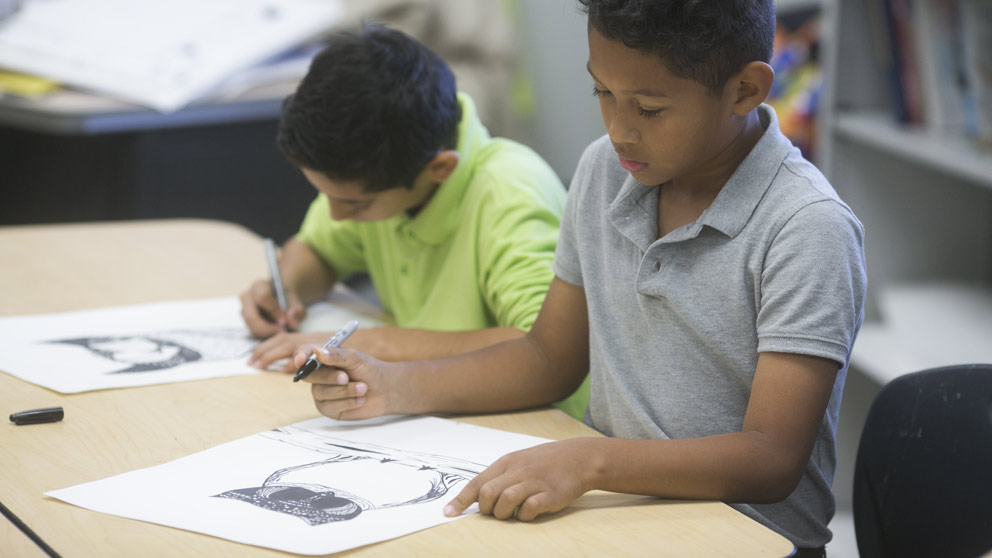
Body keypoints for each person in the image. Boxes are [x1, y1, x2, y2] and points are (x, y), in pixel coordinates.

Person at [291, 1, 867, 556]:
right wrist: (392, 386)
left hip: (742, 537)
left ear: (745, 90)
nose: (619, 130)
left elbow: (770, 458)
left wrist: (592, 461)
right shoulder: (604, 171)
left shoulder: (807, 228)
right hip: (619, 512)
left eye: (648, 108)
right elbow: (547, 358)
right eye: (603, 92)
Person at [239, 24, 588, 419]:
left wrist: (378, 345)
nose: (336, 214)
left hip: (535, 423)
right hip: (433, 415)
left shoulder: (511, 195)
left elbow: (542, 349)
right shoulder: (380, 170)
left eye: (353, 204)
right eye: (327, 196)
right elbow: (320, 249)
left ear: (439, 168)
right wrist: (287, 288)